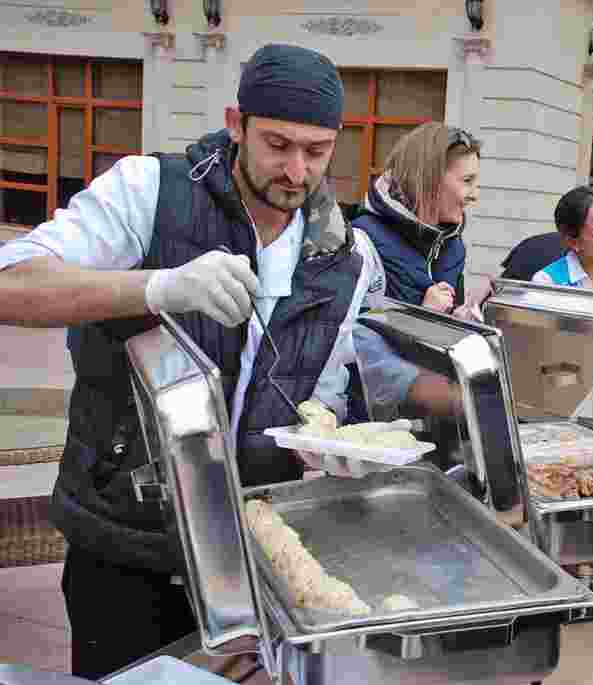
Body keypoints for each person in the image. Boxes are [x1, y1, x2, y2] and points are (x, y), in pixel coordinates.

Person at [0, 44, 455, 679]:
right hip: (130, 539)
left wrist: (325, 439)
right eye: (277, 144)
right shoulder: (150, 191)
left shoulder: (346, 258)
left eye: (317, 151)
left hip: (255, 549)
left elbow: (322, 386)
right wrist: (155, 287)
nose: (297, 171)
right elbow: (12, 282)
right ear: (236, 124)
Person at [354, 123, 482, 319]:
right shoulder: (362, 243)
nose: (475, 195)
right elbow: (343, 337)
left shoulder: (453, 247)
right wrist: (422, 316)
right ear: (428, 179)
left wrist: (460, 320)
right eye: (467, 181)